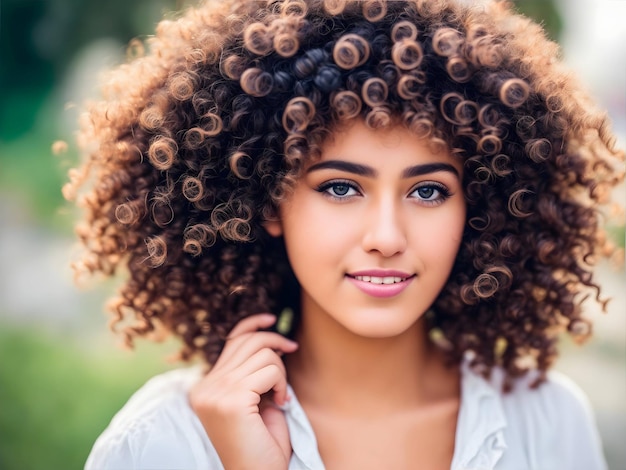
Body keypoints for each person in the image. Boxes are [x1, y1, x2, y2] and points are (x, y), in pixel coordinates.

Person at [64, 0, 624, 468]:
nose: (386, 236)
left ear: (479, 209)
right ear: (268, 201)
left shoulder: (549, 424)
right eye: (340, 188)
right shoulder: (161, 444)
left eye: (428, 191)